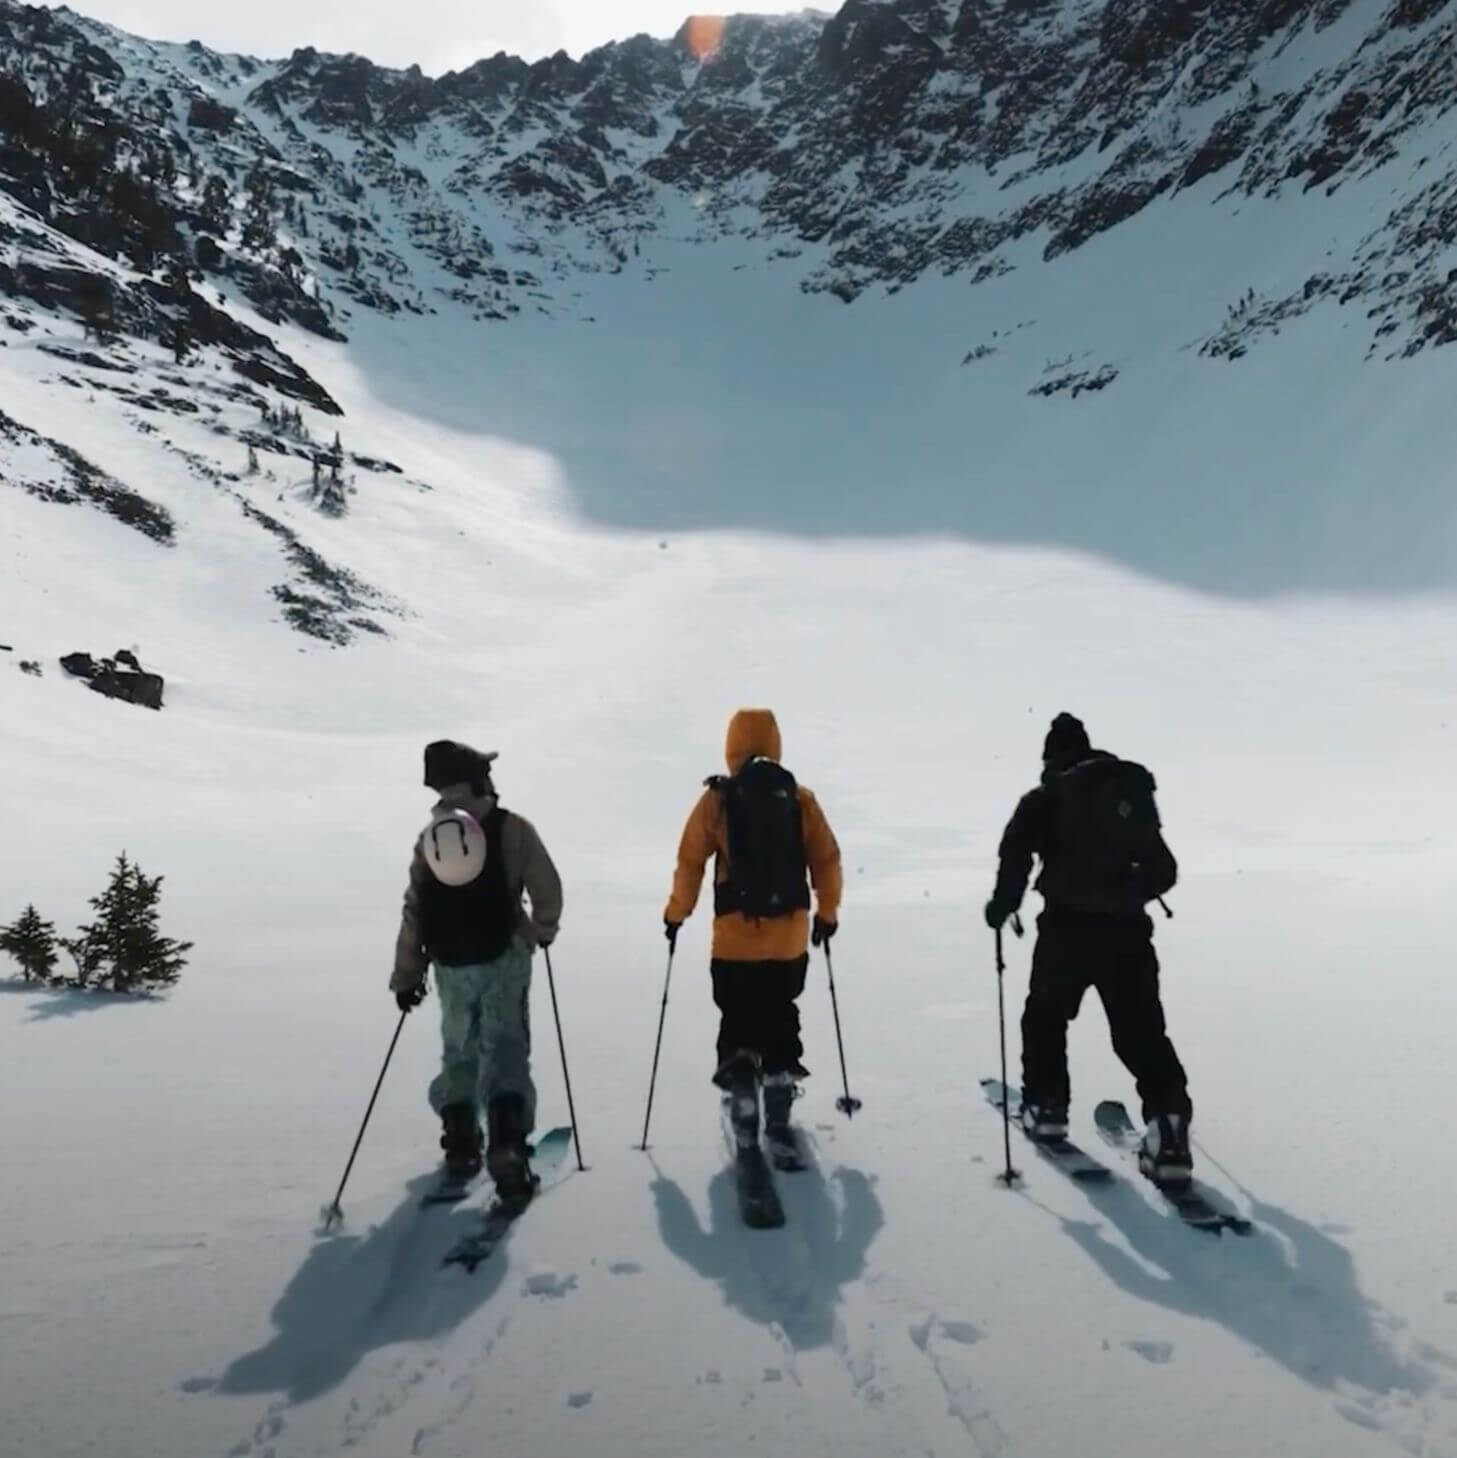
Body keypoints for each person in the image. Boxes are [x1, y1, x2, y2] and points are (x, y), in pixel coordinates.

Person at [984, 713, 1193, 1182]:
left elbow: (1014, 854)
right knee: (1142, 1033)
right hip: (1129, 936)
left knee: (1045, 1018)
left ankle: (1047, 1107)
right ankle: (1169, 1130)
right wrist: (1125, 895)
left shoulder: (1046, 797)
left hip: (1066, 931)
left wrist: (1002, 906)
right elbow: (1164, 870)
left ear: (1049, 758)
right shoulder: (1128, 795)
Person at [391, 739, 563, 1205]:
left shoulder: (431, 839)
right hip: (505, 958)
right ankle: (507, 1147)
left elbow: (414, 910)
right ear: (477, 778)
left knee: (459, 1049)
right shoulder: (512, 828)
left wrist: (407, 975)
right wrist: (541, 930)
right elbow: (547, 888)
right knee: (506, 1048)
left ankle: (461, 1141)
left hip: (450, 965)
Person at [663, 708, 843, 1146]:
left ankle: (742, 1082)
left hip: (734, 939)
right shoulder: (798, 798)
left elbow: (691, 862)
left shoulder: (717, 800)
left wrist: (676, 913)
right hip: (788, 939)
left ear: (731, 747)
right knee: (780, 1011)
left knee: (738, 1015)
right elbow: (826, 860)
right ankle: (779, 1090)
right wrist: (827, 913)